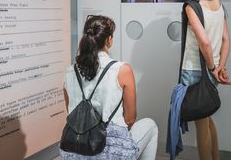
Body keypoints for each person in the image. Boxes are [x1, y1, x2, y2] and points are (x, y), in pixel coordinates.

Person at [60, 15, 158, 160]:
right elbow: (130, 119)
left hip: (72, 150)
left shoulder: (69, 72)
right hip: (112, 152)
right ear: (109, 40)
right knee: (151, 126)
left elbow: (71, 112)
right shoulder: (122, 70)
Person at [181, 0, 231, 160]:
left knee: (201, 124)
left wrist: (211, 68)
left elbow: (205, 42)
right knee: (207, 119)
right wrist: (219, 67)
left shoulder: (192, 6)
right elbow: (226, 40)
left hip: (195, 70)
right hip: (214, 68)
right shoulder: (219, 4)